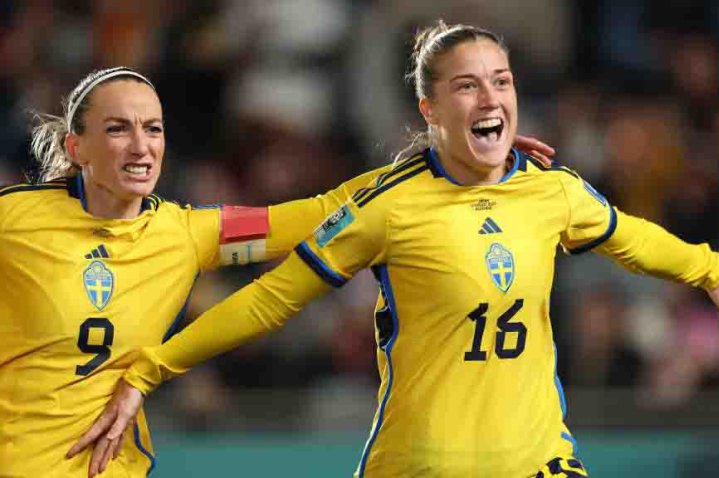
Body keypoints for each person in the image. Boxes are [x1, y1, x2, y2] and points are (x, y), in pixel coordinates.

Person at [70, 22, 719, 478]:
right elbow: (272, 297)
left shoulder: (552, 190)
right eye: (467, 86)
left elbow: (628, 236)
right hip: (421, 466)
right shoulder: (389, 206)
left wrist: (710, 271)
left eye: (503, 81)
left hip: (536, 462)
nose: (492, 98)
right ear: (429, 109)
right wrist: (156, 366)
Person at [0, 66, 554, 478]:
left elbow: (321, 213)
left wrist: (456, 155)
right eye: (119, 129)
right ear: (78, 146)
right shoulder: (15, 218)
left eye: (154, 128)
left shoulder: (185, 235)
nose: (142, 146)